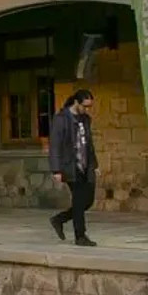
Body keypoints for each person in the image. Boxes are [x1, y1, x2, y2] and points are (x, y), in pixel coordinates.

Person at [48, 89, 99, 246]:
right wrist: (56, 170)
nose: (87, 109)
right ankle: (80, 236)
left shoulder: (86, 119)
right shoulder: (61, 119)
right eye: (85, 106)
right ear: (76, 103)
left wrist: (95, 164)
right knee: (78, 200)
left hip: (86, 165)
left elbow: (89, 144)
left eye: (90, 106)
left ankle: (59, 219)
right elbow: (55, 146)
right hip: (70, 166)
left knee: (87, 201)